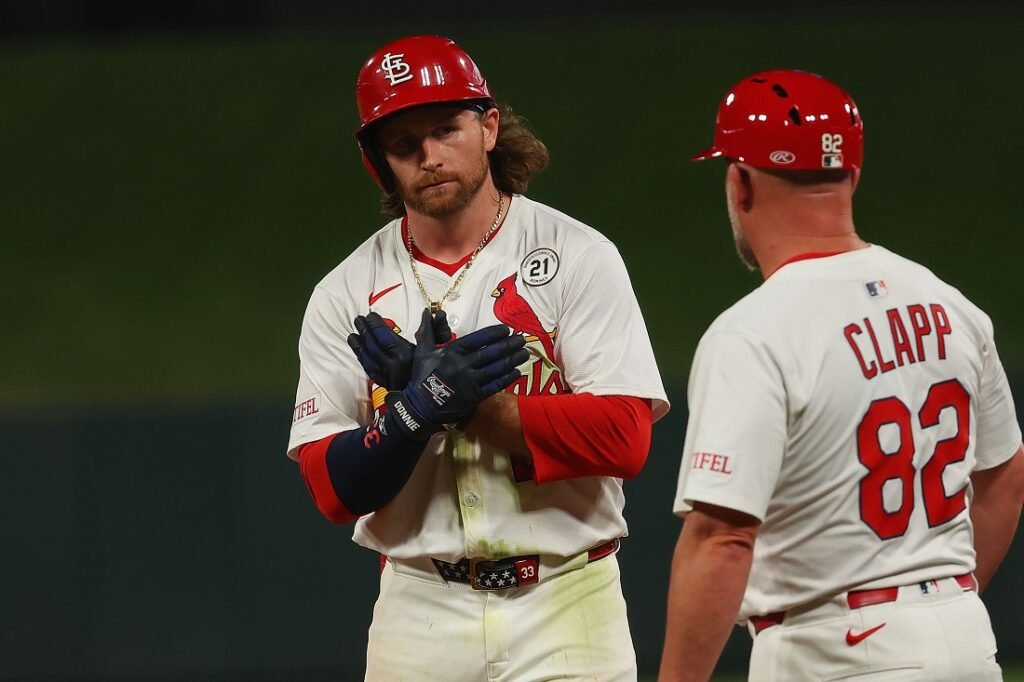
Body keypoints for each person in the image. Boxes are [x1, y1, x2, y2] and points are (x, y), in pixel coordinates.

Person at [288, 35, 669, 681]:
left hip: (567, 596)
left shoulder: (577, 255)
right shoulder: (346, 291)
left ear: (488, 127)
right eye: (403, 143)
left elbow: (626, 439)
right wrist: (415, 410)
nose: (429, 156)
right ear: (378, 162)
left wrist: (475, 409)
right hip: (420, 610)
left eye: (446, 129)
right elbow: (331, 489)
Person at [658, 70, 1024, 682]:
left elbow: (723, 538)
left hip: (834, 652)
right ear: (851, 174)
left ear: (739, 183)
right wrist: (933, 611)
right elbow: (1005, 473)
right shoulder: (951, 305)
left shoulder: (752, 333)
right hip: (965, 638)